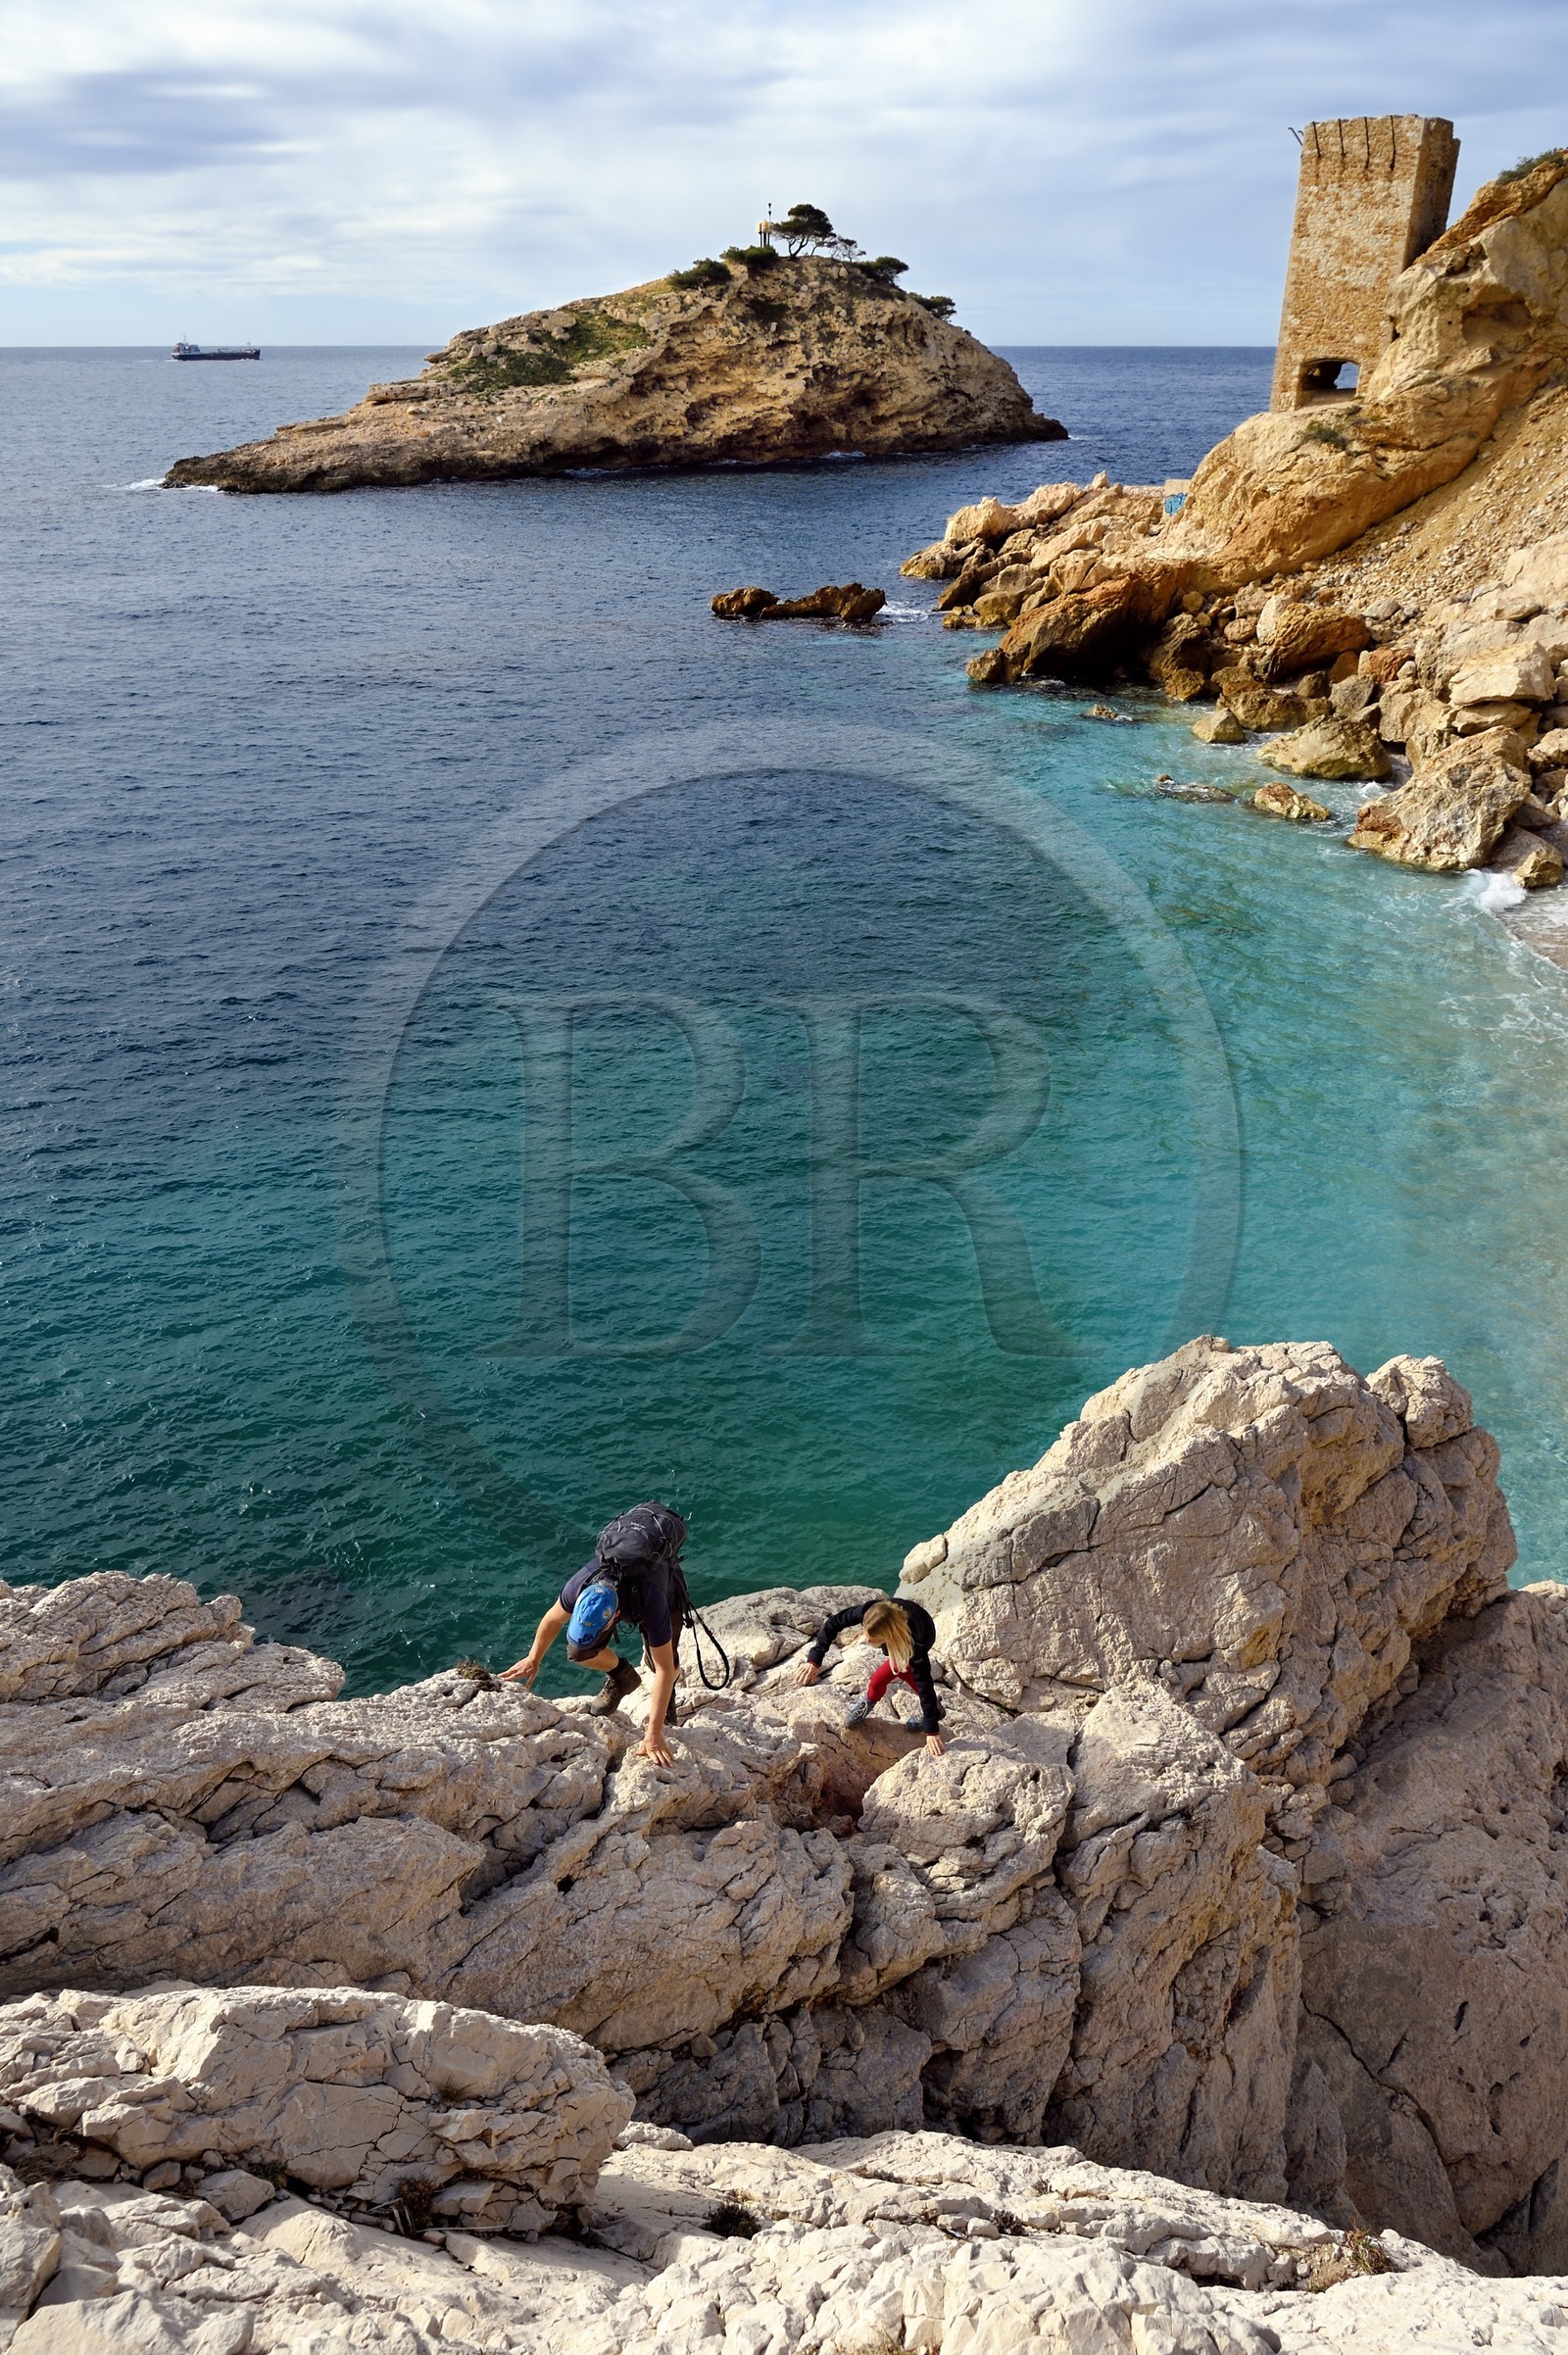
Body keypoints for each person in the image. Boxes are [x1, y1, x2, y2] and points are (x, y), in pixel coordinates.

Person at [500, 1503, 686, 1766]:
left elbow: (666, 1670)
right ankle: (623, 1678)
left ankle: (667, 1706)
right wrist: (533, 1657)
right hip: (626, 1597)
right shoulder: (582, 1584)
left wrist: (653, 1735)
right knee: (579, 1651)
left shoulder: (652, 1601)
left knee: (660, 1663)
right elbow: (553, 1619)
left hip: (666, 1593)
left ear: (612, 1620)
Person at [795, 1595, 945, 1755]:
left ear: (889, 1637)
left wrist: (932, 1731)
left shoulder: (914, 1644)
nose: (866, 1640)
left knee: (894, 1673)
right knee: (891, 1673)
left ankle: (933, 1710)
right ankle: (931, 1708)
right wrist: (814, 1660)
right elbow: (833, 1623)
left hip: (923, 1630)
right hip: (897, 1624)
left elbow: (924, 1683)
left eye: (872, 1639)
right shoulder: (870, 1612)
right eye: (866, 1634)